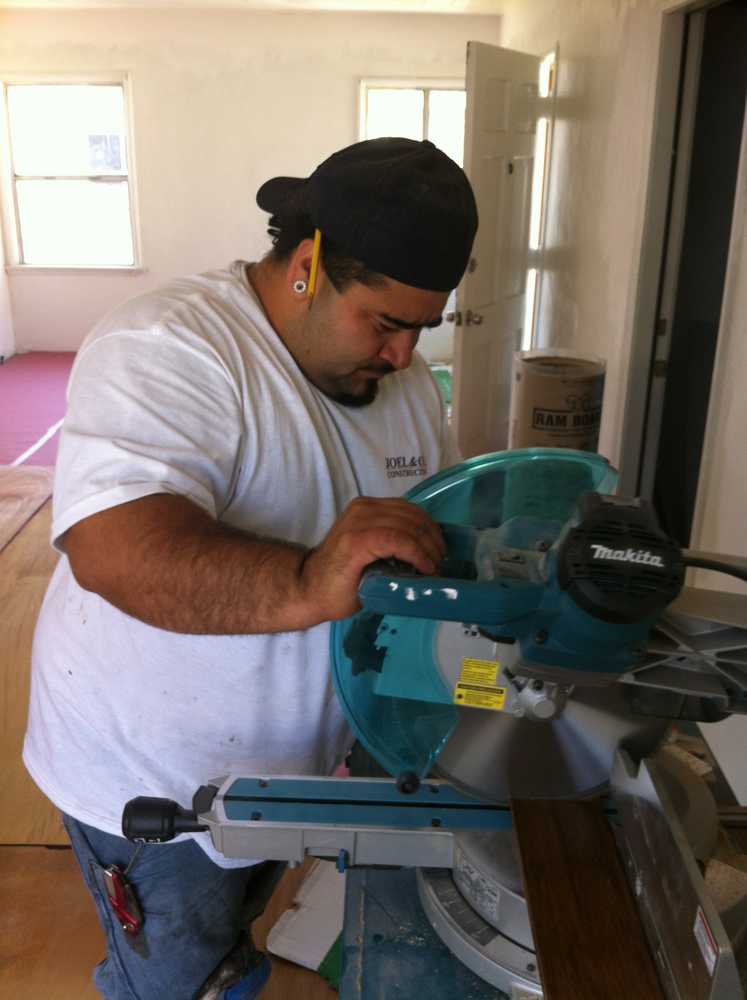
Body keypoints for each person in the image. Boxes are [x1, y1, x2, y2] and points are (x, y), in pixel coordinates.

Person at [24, 137, 478, 1000]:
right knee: (173, 979)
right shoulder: (173, 345)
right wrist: (311, 580)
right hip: (152, 781)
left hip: (286, 774)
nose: (403, 357)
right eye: (384, 322)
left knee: (228, 940)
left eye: (424, 327)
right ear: (308, 265)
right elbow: (115, 552)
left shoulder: (407, 388)